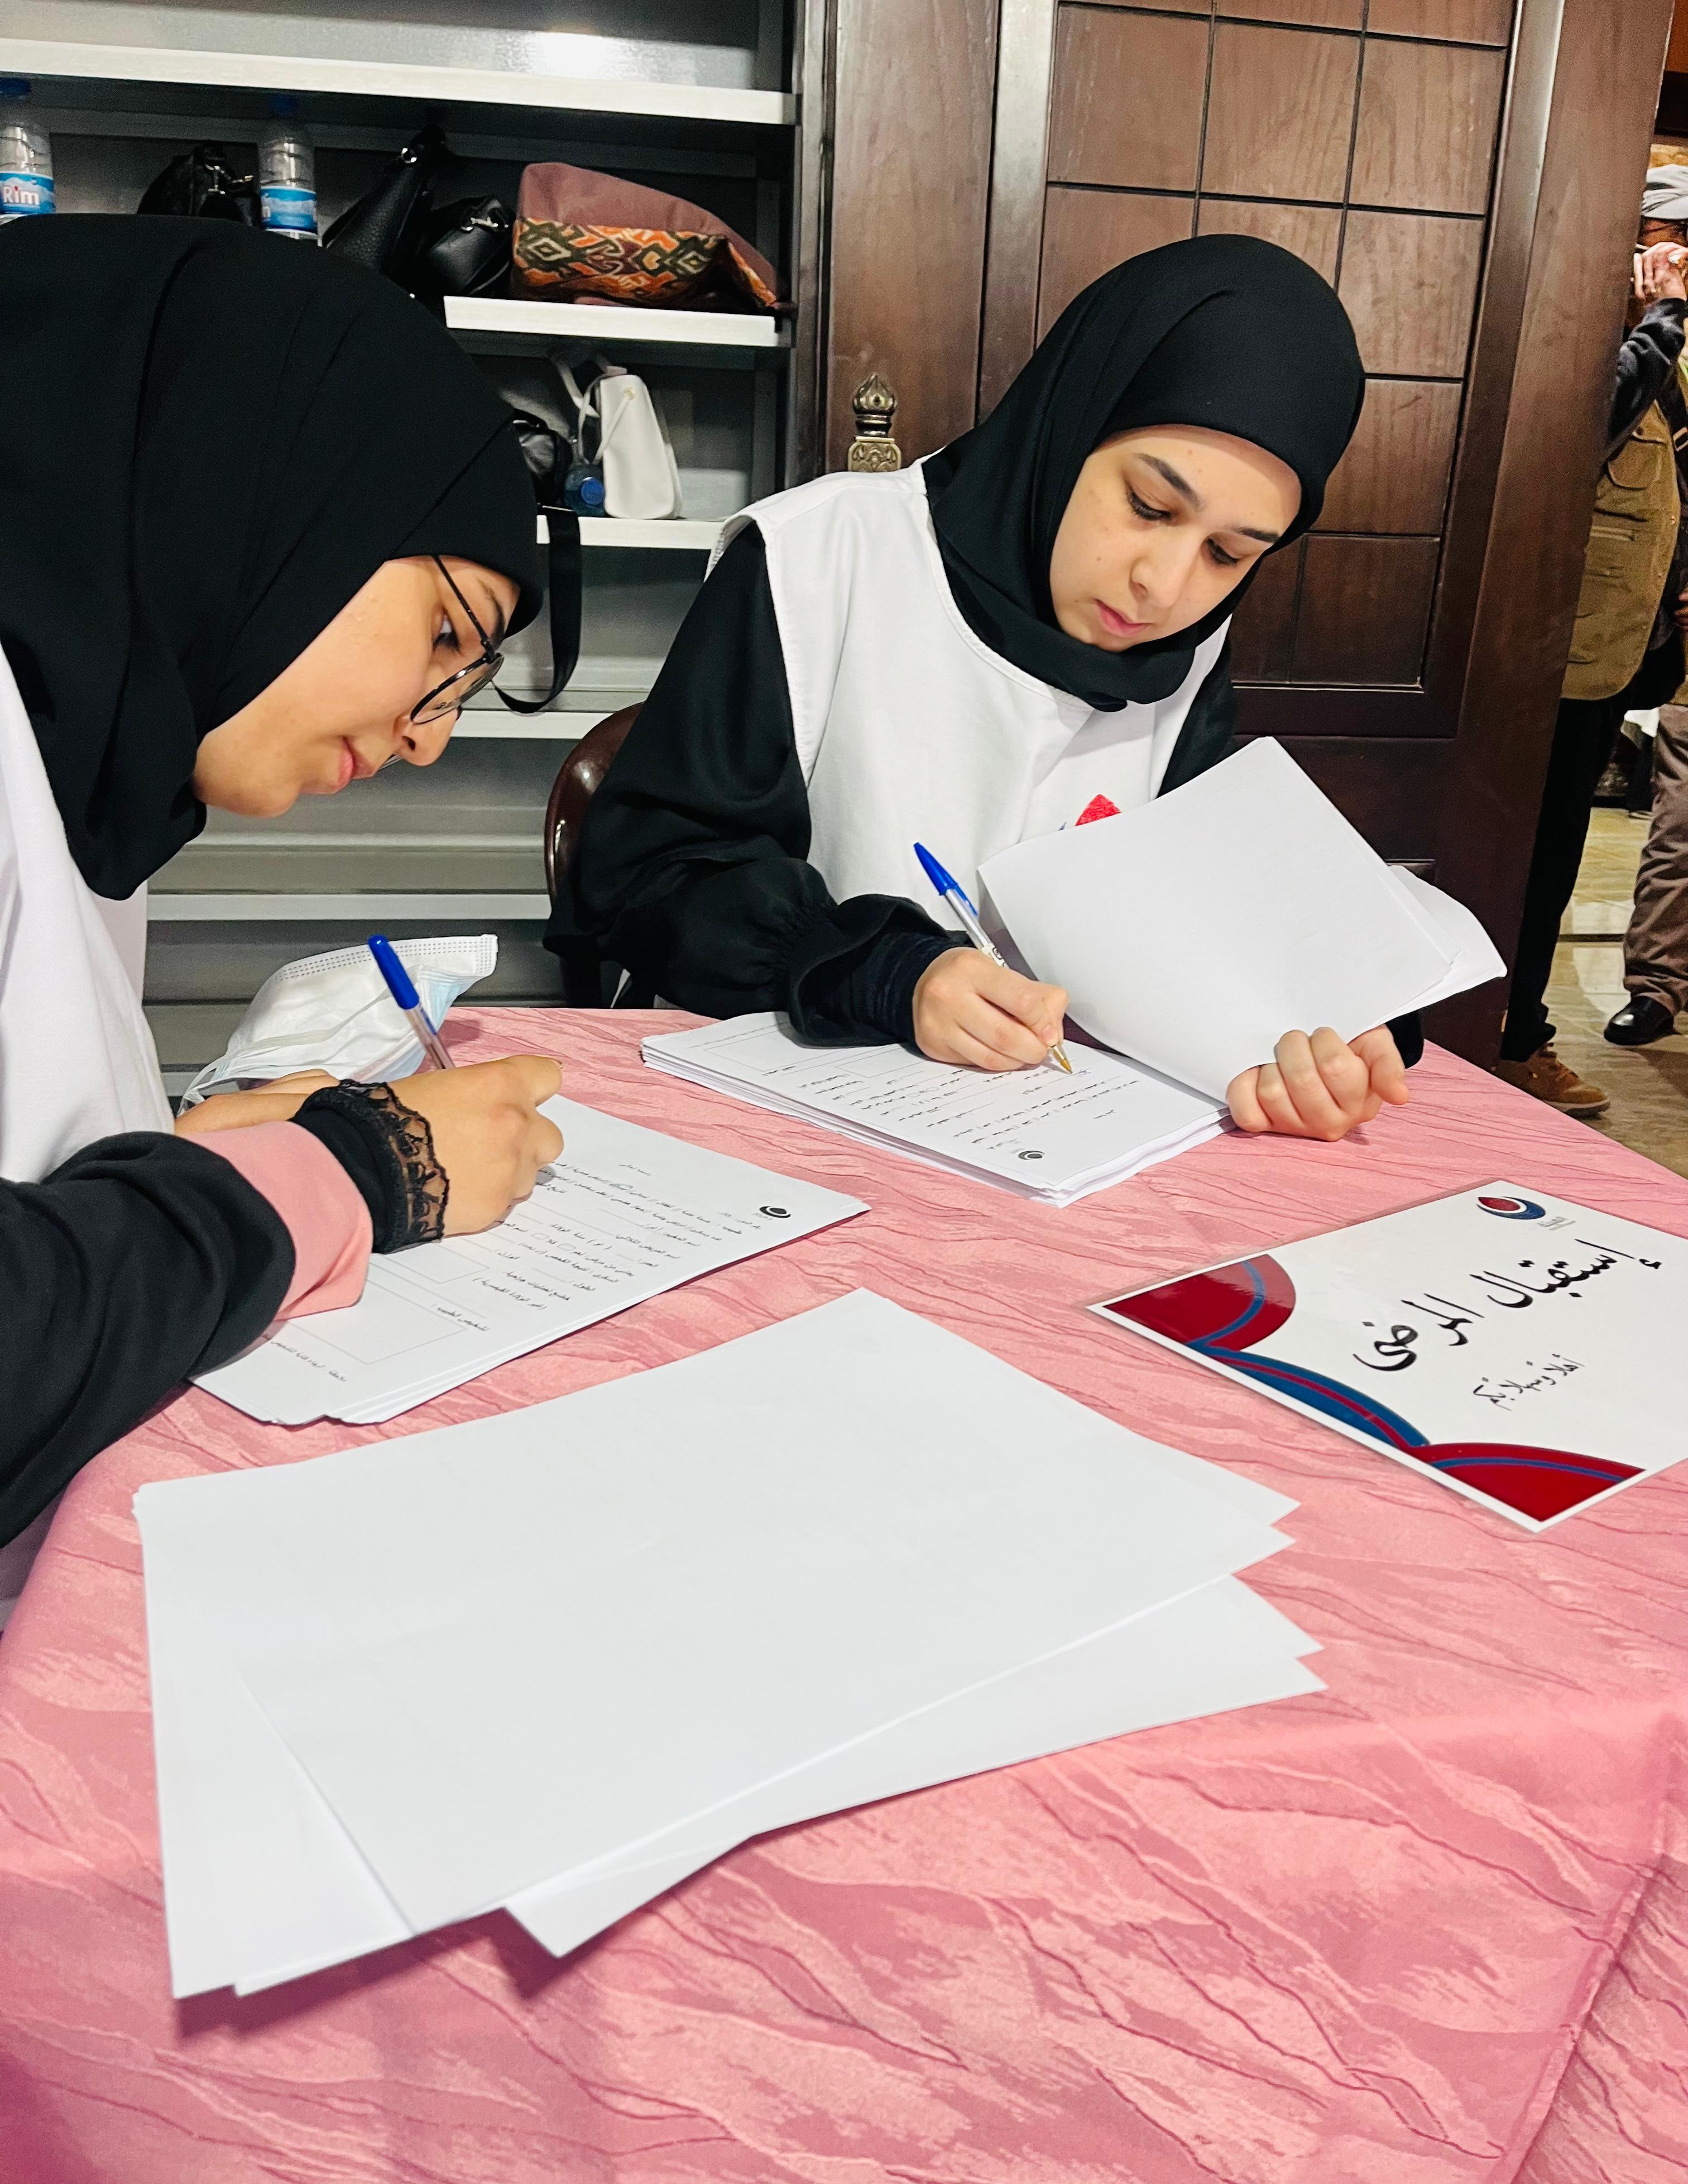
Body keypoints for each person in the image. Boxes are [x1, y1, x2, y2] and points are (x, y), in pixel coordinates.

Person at [549, 236, 1413, 1138]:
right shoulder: (818, 558)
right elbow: (655, 877)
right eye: (1149, 508)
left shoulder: (1188, 644)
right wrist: (886, 973)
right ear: (1071, 424)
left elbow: (1207, 889)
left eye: (1229, 554)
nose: (1164, 587)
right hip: (787, 1118)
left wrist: (1320, 1019)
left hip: (1052, 1127)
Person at [0, 217, 565, 1559]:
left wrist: (168, 1157)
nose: (429, 739)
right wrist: (340, 1179)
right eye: (447, 634)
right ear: (250, 486)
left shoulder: (85, 765)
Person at [1493, 226, 1688, 1110]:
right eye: (1661, 250)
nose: (1671, 269)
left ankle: (1515, 1027)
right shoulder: (1587, 345)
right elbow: (1593, 423)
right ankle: (1509, 1037)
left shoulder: (1658, 358)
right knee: (1525, 863)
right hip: (1549, 661)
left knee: (1553, 860)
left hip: (1607, 657)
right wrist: (1662, 317)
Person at [1605, 169, 1688, 1049]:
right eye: (1677, 235)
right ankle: (1658, 984)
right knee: (1681, 818)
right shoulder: (1630, 328)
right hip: (1651, 608)